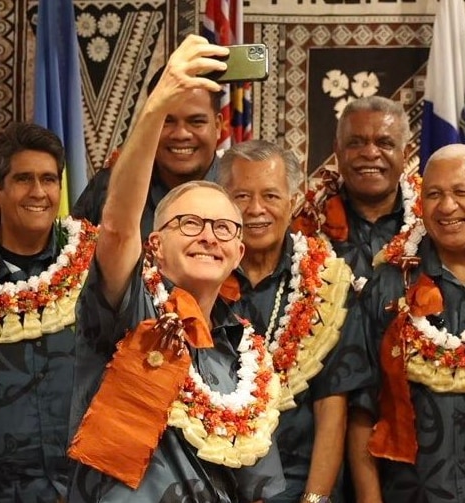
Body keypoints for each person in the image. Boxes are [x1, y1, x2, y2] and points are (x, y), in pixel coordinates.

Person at [66, 36, 284, 502]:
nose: (209, 236)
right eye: (190, 223)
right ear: (156, 246)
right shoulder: (130, 308)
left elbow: (259, 486)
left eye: (224, 227)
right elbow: (118, 226)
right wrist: (157, 103)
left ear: (239, 253)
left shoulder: (245, 351)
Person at [349, 144, 465, 502]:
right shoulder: (389, 283)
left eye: (462, 192)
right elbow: (361, 406)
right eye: (434, 194)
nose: (447, 206)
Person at [217, 139, 373, 503]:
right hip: (212, 485)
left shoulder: (329, 283)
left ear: (293, 201)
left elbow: (331, 406)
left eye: (270, 196)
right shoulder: (200, 275)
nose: (256, 210)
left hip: (296, 484)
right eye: (241, 197)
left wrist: (314, 499)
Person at [0, 122, 97, 502]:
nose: (39, 192)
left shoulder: (93, 265)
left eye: (49, 180)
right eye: (23, 179)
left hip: (90, 488)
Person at [71, 61, 224, 239]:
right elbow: (72, 259)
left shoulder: (242, 191)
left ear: (218, 126)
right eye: (167, 121)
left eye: (196, 122)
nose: (181, 134)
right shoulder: (112, 187)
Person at [292, 95, 418, 285]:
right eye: (356, 143)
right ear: (338, 150)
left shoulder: (432, 223)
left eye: (384, 143)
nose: (370, 153)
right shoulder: (306, 226)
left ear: (405, 154)